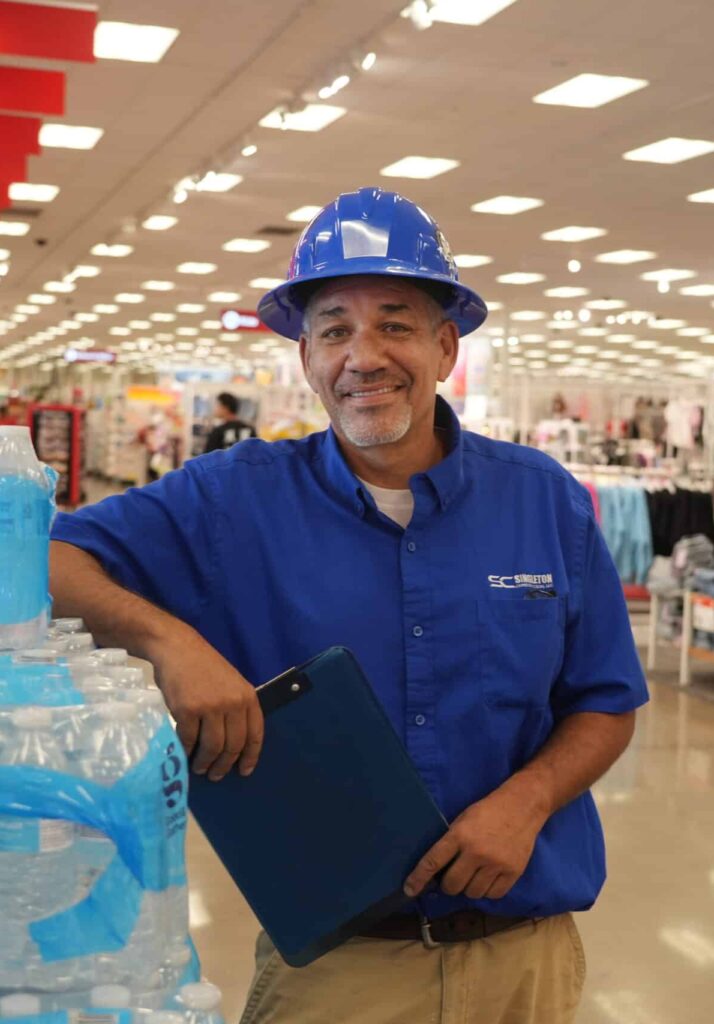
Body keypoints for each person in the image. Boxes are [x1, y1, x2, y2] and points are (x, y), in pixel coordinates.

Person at [49, 187, 648, 1024]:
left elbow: (608, 701)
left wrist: (529, 800)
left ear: (445, 347)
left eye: (395, 323)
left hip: (528, 961)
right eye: (333, 328)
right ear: (306, 358)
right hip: (340, 974)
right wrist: (167, 640)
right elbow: (42, 555)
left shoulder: (542, 500)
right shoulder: (232, 502)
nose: (362, 356)